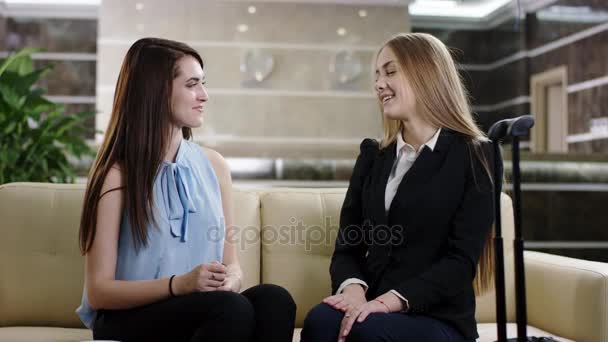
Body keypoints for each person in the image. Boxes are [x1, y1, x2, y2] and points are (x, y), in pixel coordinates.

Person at [76, 37, 296, 342]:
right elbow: (100, 292)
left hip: (201, 307)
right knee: (230, 309)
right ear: (156, 91)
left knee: (275, 299)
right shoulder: (117, 174)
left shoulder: (215, 165)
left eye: (203, 83)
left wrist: (230, 278)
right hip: (127, 318)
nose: (204, 95)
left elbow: (231, 263)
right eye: (192, 84)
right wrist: (179, 285)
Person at [301, 32, 499, 342]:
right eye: (377, 75)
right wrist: (354, 291)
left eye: (390, 72)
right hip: (371, 307)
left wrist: (385, 303)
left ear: (427, 73)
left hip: (438, 318)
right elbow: (348, 246)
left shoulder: (476, 154)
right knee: (320, 321)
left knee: (365, 333)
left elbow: (460, 263)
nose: (379, 84)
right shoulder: (373, 156)